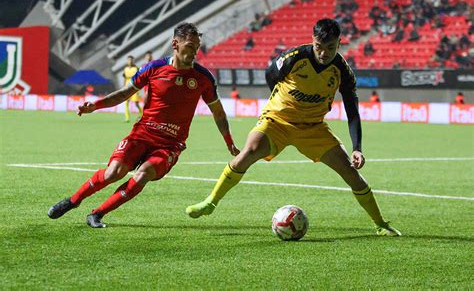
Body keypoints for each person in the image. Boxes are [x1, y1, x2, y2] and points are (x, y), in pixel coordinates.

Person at [186, 19, 401, 237]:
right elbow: (271, 74)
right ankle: (210, 202)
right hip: (277, 121)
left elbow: (352, 111)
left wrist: (357, 148)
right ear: (312, 40)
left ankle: (380, 224)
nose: (324, 53)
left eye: (330, 48)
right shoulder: (295, 57)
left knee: (351, 173)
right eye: (319, 46)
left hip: (313, 128)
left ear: (339, 43)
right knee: (248, 152)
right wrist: (279, 101)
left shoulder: (342, 71)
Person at [47, 22, 240, 228]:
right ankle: (73, 201)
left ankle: (97, 214)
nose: (194, 52)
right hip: (142, 134)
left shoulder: (203, 78)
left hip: (170, 144)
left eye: (197, 47)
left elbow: (218, 112)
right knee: (114, 172)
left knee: (143, 175)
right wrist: (95, 105)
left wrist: (228, 141)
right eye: (190, 46)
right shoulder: (154, 68)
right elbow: (123, 94)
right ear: (175, 43)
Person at [122, 55, 143, 122]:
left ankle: (142, 114)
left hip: (134, 87)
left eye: (131, 60)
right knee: (126, 103)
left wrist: (139, 87)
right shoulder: (125, 68)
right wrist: (124, 87)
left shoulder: (136, 68)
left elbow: (140, 78)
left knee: (136, 103)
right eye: (128, 60)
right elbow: (125, 78)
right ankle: (127, 118)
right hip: (127, 87)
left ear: (133, 60)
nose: (130, 61)